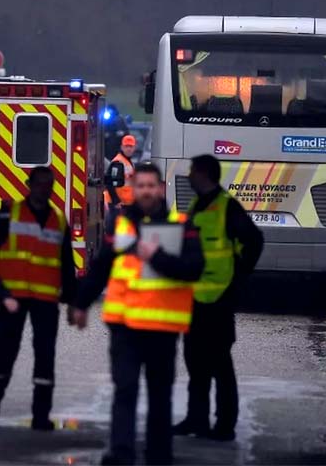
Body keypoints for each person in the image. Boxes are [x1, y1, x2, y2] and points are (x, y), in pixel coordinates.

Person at [70, 162, 203, 466]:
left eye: (151, 186)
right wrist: (81, 303)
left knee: (159, 396)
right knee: (125, 390)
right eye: (140, 185)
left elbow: (193, 269)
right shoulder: (121, 224)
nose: (145, 191)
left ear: (160, 189)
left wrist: (155, 255)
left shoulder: (181, 225)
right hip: (125, 326)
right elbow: (101, 266)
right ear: (133, 187)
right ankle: (120, 454)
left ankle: (159, 455)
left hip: (162, 327)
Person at [173, 154, 264, 442]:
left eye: (192, 172)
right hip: (195, 298)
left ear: (204, 174)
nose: (189, 176)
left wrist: (239, 275)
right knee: (194, 362)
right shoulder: (196, 204)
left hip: (220, 299)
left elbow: (254, 240)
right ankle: (196, 419)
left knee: (220, 363)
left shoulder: (227, 207)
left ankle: (225, 425)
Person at [0, 166, 77, 431]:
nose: (44, 189)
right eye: (40, 183)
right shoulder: (8, 215)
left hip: (46, 301)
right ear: (29, 185)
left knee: (45, 356)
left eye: (49, 184)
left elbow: (66, 264)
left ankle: (41, 414)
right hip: (13, 297)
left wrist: (73, 302)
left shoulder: (58, 220)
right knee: (5, 353)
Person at [104, 135, 137, 209]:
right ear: (122, 147)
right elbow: (110, 183)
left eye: (131, 146)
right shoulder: (118, 162)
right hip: (117, 205)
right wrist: (116, 201)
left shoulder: (129, 162)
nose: (128, 149)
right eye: (126, 146)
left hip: (125, 204)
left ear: (134, 148)